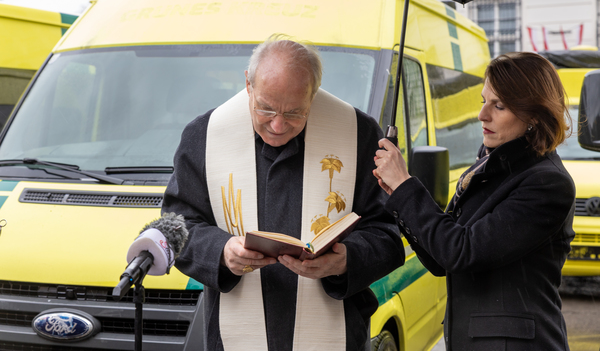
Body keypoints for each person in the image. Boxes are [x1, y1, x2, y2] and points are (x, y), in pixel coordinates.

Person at [162, 34, 404, 351]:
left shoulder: (358, 133)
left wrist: (345, 261)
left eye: (293, 113)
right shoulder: (205, 135)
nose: (277, 125)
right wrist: (222, 252)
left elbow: (387, 232)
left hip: (337, 335)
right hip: (234, 337)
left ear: (313, 94)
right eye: (265, 109)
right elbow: (175, 227)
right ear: (248, 84)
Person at [374, 52, 576, 351]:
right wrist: (398, 196)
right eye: (483, 101)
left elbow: (462, 251)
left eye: (500, 106)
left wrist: (406, 186)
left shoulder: (547, 183)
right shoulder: (490, 168)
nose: (482, 114)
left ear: (534, 115)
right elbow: (441, 259)